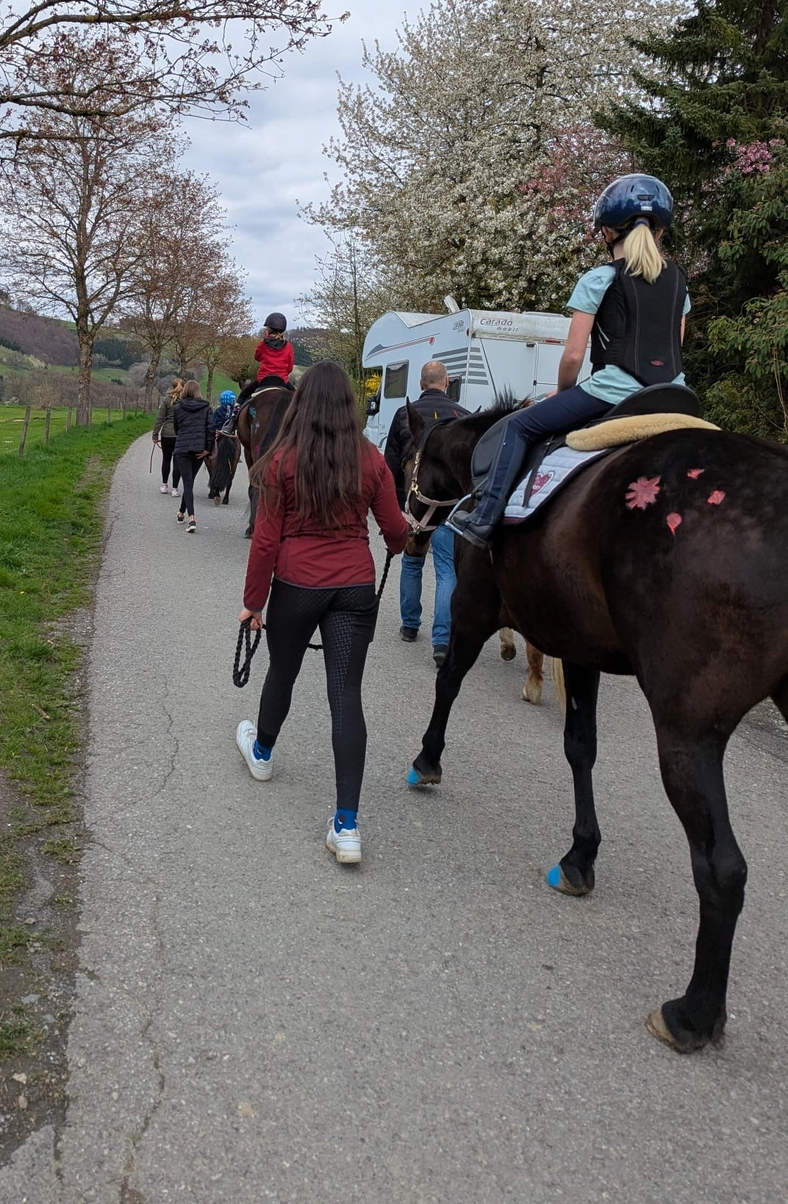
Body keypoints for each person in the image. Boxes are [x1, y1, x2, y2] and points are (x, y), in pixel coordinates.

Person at [448, 173, 690, 549]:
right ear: (660, 232)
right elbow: (676, 342)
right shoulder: (680, 283)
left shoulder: (600, 278)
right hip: (673, 394)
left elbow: (574, 355)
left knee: (518, 428)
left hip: (613, 392)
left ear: (607, 232)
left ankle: (483, 519)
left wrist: (563, 393)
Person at [235, 361, 408, 866]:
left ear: (301, 404)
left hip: (296, 586)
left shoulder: (280, 461)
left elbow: (265, 541)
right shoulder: (370, 459)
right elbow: (396, 533)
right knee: (345, 695)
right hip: (354, 587)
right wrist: (406, 533)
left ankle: (262, 754)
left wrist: (253, 603)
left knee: (282, 672)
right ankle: (347, 826)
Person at [384, 361, 468, 665]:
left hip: (416, 505)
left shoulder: (404, 415)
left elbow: (391, 464)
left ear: (420, 384)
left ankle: (410, 625)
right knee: (447, 568)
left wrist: (396, 508)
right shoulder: (462, 416)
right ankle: (442, 641)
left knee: (412, 561)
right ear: (447, 383)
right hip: (450, 505)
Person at [171, 378, 214, 533]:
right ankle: (181, 512)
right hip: (199, 450)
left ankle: (191, 519)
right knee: (189, 483)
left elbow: (176, 428)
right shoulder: (206, 407)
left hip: (182, 449)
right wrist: (208, 449)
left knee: (187, 484)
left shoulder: (178, 407)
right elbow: (211, 429)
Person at [236, 313, 295, 406]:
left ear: (268, 330)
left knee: (243, 395)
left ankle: (236, 409)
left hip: (263, 380)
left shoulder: (263, 344)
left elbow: (257, 357)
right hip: (282, 381)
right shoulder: (288, 346)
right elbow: (290, 368)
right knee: (298, 398)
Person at [152, 377, 184, 495]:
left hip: (167, 434)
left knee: (166, 459)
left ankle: (164, 485)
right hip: (180, 435)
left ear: (172, 387)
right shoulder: (185, 402)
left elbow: (159, 418)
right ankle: (175, 489)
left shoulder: (166, 400)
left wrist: (155, 434)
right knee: (177, 462)